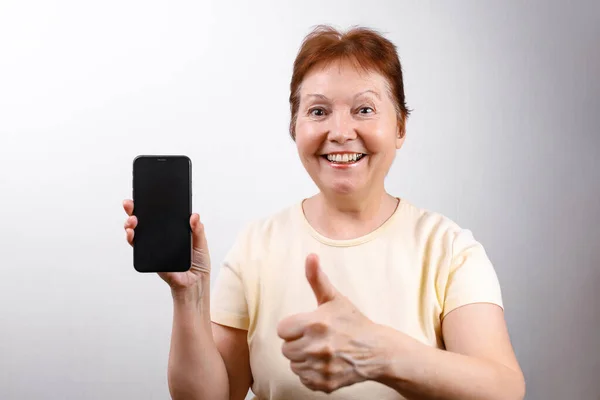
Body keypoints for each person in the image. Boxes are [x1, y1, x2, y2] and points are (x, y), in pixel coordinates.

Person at [123, 25, 525, 400]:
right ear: (295, 128)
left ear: (400, 127)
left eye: (364, 110)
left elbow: (503, 388)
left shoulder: (450, 249)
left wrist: (380, 354)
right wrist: (190, 296)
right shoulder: (257, 245)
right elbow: (210, 395)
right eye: (318, 111)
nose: (340, 131)